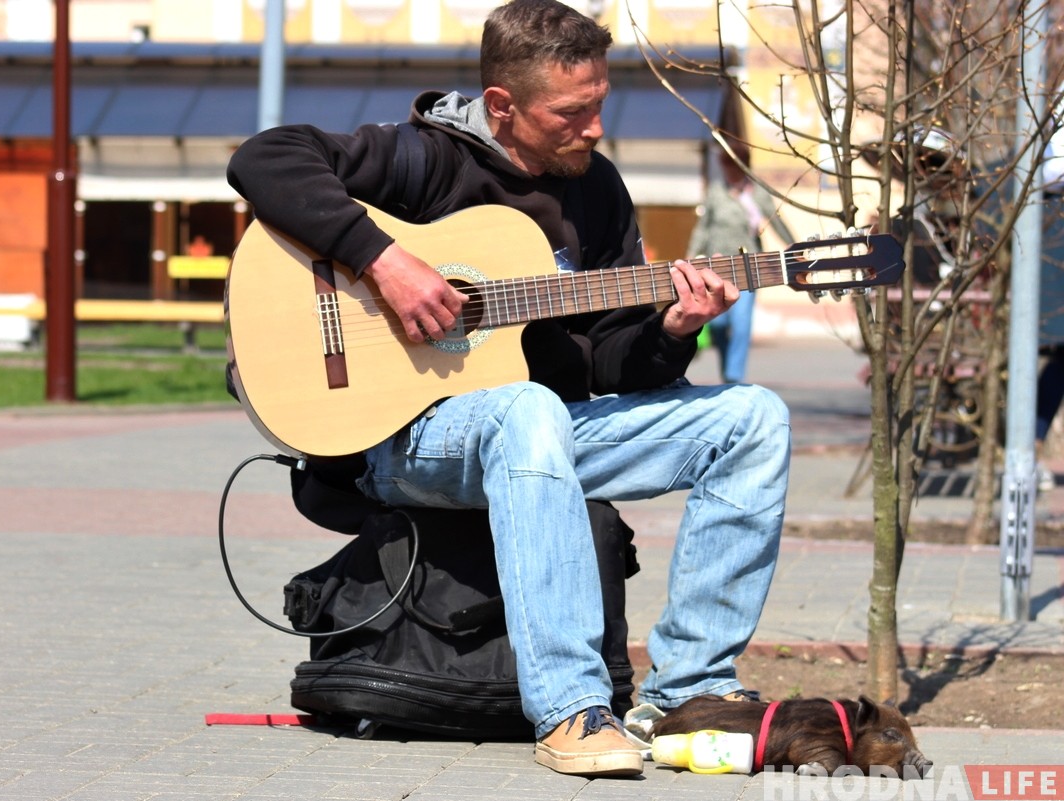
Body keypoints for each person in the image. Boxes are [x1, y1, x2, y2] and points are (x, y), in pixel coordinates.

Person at [227, 0, 790, 779]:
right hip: (402, 443)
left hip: (537, 441)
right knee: (528, 409)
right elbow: (266, 158)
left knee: (752, 417)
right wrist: (387, 262)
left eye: (599, 105)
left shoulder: (597, 193)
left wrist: (672, 330)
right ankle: (570, 709)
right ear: (502, 107)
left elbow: (605, 365)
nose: (594, 128)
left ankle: (687, 691)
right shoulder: (423, 159)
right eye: (572, 112)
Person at [687, 140, 793, 383]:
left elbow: (776, 220)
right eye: (725, 166)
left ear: (743, 166)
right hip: (717, 265)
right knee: (717, 324)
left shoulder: (757, 193)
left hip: (748, 267)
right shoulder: (716, 191)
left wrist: (793, 246)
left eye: (732, 166)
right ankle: (727, 369)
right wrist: (692, 256)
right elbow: (703, 228)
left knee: (742, 322)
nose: (728, 171)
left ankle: (734, 376)